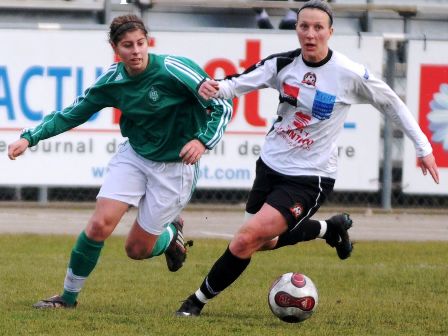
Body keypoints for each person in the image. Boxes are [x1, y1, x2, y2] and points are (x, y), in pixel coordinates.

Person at [176, 0, 439, 317]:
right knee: (264, 241)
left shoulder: (348, 73)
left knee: (245, 239)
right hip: (270, 166)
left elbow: (392, 104)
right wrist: (211, 87)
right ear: (296, 29)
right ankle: (331, 229)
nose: (310, 34)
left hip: (310, 177)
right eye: (304, 26)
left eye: (318, 27)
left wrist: (423, 148)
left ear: (330, 31)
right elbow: (234, 85)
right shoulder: (282, 64)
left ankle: (195, 301)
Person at [7, 14, 232, 309]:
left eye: (141, 43)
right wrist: (29, 138)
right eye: (128, 45)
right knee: (99, 224)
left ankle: (170, 234)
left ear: (147, 42)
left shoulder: (174, 69)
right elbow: (72, 113)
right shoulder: (112, 81)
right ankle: (67, 298)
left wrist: (202, 141)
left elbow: (221, 104)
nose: (136, 51)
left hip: (176, 168)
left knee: (136, 249)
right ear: (116, 49)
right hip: (135, 156)